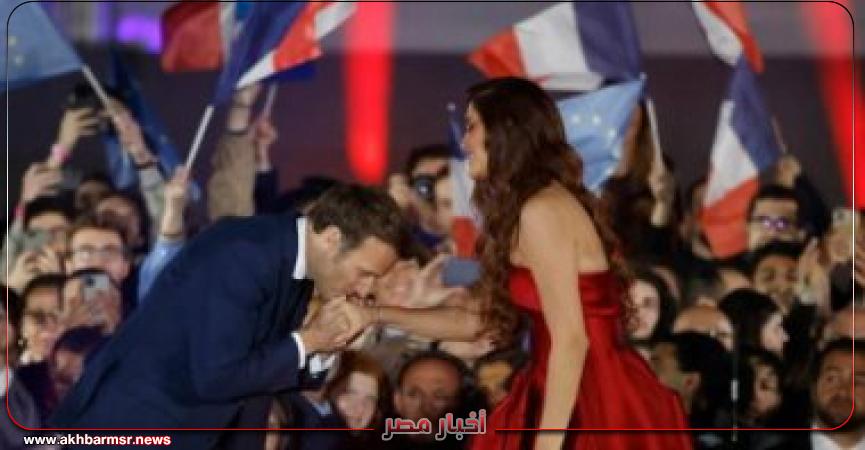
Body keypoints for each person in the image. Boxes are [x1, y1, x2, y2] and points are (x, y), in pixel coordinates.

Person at [50, 184, 408, 450]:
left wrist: (328, 345)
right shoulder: (245, 253)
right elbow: (217, 377)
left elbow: (268, 372)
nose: (366, 288)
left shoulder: (295, 261)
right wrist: (310, 340)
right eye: (365, 273)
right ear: (330, 238)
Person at [455, 78, 692, 450]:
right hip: (562, 386)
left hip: (590, 397)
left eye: (471, 127)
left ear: (504, 132)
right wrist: (380, 314)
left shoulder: (541, 210)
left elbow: (570, 339)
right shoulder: (536, 206)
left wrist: (548, 445)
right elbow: (481, 321)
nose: (464, 142)